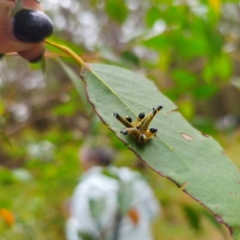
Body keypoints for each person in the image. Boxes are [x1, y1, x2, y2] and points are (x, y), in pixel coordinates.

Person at [65, 144, 160, 240]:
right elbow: (154, 212)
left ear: (88, 161)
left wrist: (73, 216)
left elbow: (83, 231)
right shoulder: (132, 178)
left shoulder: (86, 189)